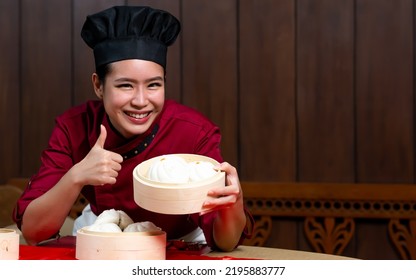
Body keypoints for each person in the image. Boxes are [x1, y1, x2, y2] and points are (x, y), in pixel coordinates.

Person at [12, 5, 252, 252]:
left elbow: (226, 241)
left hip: (182, 244)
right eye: (125, 85)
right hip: (105, 234)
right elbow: (32, 232)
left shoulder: (193, 132)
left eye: (153, 85)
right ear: (98, 85)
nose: (140, 101)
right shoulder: (73, 127)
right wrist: (77, 176)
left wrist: (234, 202)